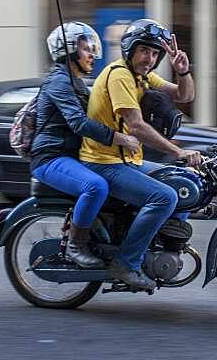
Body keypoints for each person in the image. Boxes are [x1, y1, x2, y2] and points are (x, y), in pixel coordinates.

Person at [79, 18, 200, 291]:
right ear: (130, 49)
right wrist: (179, 151)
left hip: (126, 161)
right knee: (164, 196)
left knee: (183, 182)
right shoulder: (120, 74)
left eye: (155, 53)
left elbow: (184, 95)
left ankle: (156, 247)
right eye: (145, 51)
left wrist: (183, 71)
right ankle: (126, 262)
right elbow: (137, 126)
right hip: (103, 162)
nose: (150, 58)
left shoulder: (141, 76)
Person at [30, 22, 140, 268]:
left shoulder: (77, 82)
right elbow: (79, 123)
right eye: (85, 49)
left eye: (92, 48)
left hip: (72, 156)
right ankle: (75, 246)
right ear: (68, 52)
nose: (92, 54)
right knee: (96, 186)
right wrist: (119, 138)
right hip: (51, 157)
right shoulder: (59, 82)